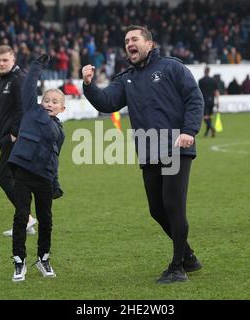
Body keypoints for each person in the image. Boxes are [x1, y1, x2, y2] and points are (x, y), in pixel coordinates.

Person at [82, 25, 204, 284]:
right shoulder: (127, 78)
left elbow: (195, 98)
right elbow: (107, 103)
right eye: (126, 41)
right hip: (148, 150)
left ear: (150, 43)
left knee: (173, 206)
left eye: (134, 39)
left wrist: (189, 130)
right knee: (157, 210)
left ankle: (177, 267)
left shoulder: (172, 67)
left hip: (176, 146)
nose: (129, 44)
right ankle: (189, 257)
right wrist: (89, 85)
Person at [9, 54, 66, 282]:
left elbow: (54, 158)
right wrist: (36, 65)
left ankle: (43, 258)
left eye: (55, 102)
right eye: (47, 100)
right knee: (21, 216)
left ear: (62, 108)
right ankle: (19, 261)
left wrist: (55, 182)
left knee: (46, 220)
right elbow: (29, 86)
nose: (50, 104)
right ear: (41, 103)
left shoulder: (60, 132)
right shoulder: (32, 111)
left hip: (44, 178)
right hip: (23, 172)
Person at [0, 45, 37, 236]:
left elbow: (23, 107)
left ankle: (26, 217)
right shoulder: (1, 82)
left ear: (13, 59)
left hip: (15, 139)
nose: (1, 64)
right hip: (5, 138)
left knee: (2, 176)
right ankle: (27, 219)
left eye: (5, 60)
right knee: (16, 179)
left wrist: (14, 132)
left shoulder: (19, 80)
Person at [198, 67, 219, 137]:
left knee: (205, 117)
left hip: (204, 100)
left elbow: (198, 92)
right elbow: (216, 91)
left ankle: (211, 128)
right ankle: (207, 133)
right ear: (209, 71)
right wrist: (218, 101)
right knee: (209, 116)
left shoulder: (201, 81)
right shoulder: (213, 80)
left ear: (204, 71)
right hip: (211, 101)